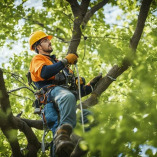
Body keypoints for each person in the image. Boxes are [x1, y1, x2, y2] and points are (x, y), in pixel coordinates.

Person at [29, 30, 102, 157]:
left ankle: (78, 145)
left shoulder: (59, 64)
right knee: (66, 99)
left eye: (48, 40)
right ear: (38, 47)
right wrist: (65, 61)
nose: (49, 42)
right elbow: (44, 73)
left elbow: (74, 93)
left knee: (88, 116)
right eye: (45, 41)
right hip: (50, 98)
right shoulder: (38, 59)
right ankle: (61, 136)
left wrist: (89, 86)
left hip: (64, 100)